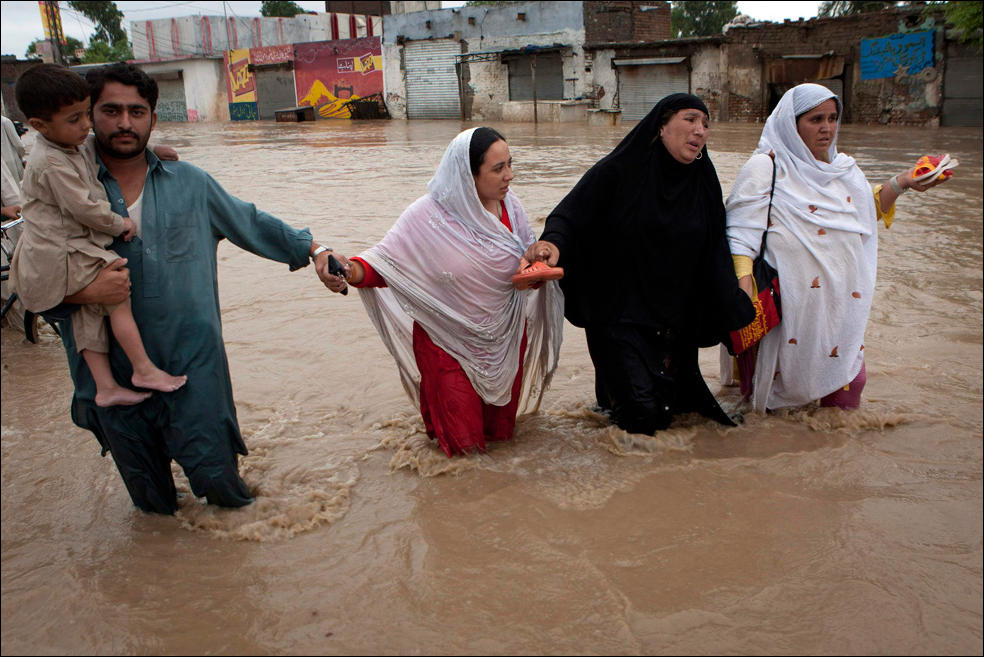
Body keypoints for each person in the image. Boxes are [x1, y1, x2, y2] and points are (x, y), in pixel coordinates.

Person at [38, 63, 347, 514]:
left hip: (193, 368)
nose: (125, 123)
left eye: (137, 112)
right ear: (88, 115)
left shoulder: (190, 183)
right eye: (111, 111)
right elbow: (31, 286)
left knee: (226, 493)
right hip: (110, 377)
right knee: (152, 507)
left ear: (153, 118)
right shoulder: (62, 188)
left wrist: (316, 249)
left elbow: (251, 222)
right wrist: (86, 292)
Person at [521, 94, 755, 435]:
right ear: (661, 126)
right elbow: (570, 216)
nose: (700, 130)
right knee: (642, 417)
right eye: (690, 119)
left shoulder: (703, 182)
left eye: (705, 124)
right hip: (617, 313)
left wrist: (736, 301)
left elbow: (715, 249)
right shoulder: (619, 171)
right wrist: (551, 246)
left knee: (676, 412)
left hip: (673, 320)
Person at [334, 127, 564, 457]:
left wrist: (537, 261)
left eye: (510, 164)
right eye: (498, 169)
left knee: (502, 441)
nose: (509, 176)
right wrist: (347, 271)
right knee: (464, 454)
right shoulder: (427, 216)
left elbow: (524, 258)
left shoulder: (510, 207)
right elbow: (385, 266)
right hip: (447, 343)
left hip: (505, 339)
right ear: (467, 175)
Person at [724, 83, 949, 412]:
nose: (827, 128)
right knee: (777, 408)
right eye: (815, 119)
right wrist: (744, 291)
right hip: (784, 308)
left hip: (837, 306)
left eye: (832, 118)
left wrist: (903, 182)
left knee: (847, 390)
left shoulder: (845, 170)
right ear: (791, 124)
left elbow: (862, 214)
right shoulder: (766, 167)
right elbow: (740, 234)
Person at [10, 63, 187, 408]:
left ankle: (105, 386)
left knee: (89, 311)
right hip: (61, 252)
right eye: (75, 119)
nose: (86, 126)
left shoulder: (69, 144)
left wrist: (151, 150)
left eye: (86, 114)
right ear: (39, 125)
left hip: (64, 250)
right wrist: (119, 224)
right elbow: (83, 208)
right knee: (116, 292)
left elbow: (100, 145)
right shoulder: (51, 162)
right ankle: (143, 368)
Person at [1, 114, 25, 220]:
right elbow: (19, 145)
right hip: (11, 162)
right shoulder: (5, 121)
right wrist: (22, 156)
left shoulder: (5, 122)